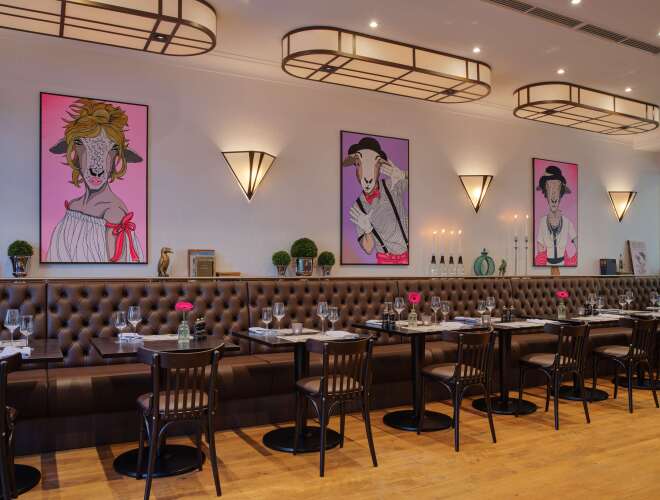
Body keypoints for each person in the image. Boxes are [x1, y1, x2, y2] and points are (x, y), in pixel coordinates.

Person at [46, 99, 144, 263]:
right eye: (81, 144)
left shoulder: (113, 213)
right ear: (73, 150)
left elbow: (118, 271)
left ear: (117, 155)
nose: (97, 168)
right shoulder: (73, 206)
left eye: (112, 149)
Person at [343, 137, 409, 265]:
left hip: (409, 257)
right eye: (359, 164)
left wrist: (403, 175)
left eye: (375, 164)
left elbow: (423, 183)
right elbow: (368, 248)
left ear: (380, 168)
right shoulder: (358, 207)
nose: (367, 177)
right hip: (385, 262)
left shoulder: (392, 184)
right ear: (356, 166)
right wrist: (367, 230)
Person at [535, 165, 577, 266]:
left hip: (563, 263)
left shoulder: (567, 222)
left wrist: (572, 260)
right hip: (546, 265)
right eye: (549, 187)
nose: (554, 198)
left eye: (557, 188)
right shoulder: (543, 222)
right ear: (545, 192)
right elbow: (540, 247)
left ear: (561, 192)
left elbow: (578, 243)